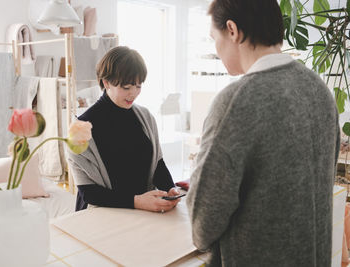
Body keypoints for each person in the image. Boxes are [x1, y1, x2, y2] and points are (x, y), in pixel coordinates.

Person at [186, 0, 340, 266]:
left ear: (232, 30)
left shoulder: (235, 101)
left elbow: (203, 225)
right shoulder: (319, 90)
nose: (217, 49)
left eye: (215, 38)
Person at [68, 46, 180, 212]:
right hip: (101, 214)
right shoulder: (79, 130)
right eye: (126, 87)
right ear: (106, 82)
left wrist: (170, 189)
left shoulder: (145, 117)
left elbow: (157, 164)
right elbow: (89, 193)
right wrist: (136, 201)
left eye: (138, 86)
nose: (133, 94)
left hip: (143, 212)